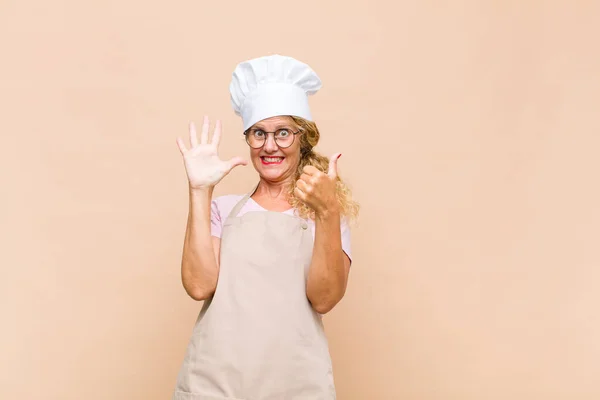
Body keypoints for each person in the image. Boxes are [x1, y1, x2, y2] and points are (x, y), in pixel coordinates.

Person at [172, 54, 359, 400]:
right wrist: (199, 191)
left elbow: (324, 298)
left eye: (283, 133)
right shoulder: (222, 210)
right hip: (216, 386)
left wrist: (328, 211)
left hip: (296, 387)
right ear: (248, 138)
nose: (270, 145)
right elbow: (199, 286)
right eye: (259, 133)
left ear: (303, 138)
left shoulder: (326, 214)